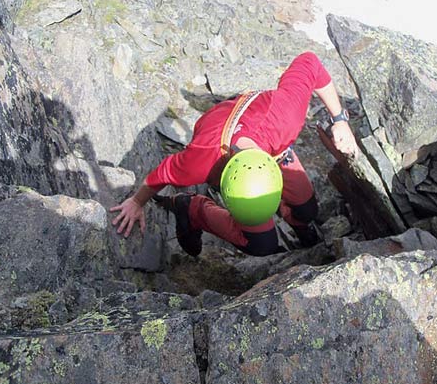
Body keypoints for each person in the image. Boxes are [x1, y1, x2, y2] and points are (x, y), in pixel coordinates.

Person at [110, 51, 358, 256]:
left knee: (307, 210)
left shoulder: (285, 118)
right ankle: (192, 208)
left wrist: (339, 120)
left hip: (270, 139)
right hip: (215, 132)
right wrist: (136, 202)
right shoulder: (200, 161)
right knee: (263, 245)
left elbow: (310, 62)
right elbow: (161, 174)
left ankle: (299, 223)